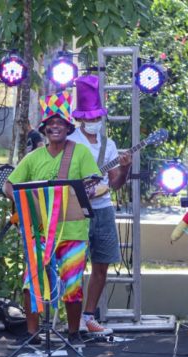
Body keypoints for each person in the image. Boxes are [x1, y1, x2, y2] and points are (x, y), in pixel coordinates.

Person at [3, 91, 101, 348]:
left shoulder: (79, 153)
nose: (55, 126)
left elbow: (93, 183)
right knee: (32, 280)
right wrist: (25, 206)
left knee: (72, 284)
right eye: (51, 123)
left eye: (61, 123)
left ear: (68, 127)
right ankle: (33, 333)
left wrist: (88, 190)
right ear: (45, 129)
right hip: (42, 231)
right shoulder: (33, 157)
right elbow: (9, 185)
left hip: (73, 231)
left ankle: (72, 334)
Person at [68, 75, 132, 336]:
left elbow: (115, 184)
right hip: (77, 211)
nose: (94, 122)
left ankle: (88, 316)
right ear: (81, 117)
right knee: (73, 264)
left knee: (102, 264)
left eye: (97, 117)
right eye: (90, 117)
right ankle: (70, 320)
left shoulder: (109, 145)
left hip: (103, 209)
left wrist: (125, 169)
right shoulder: (71, 142)